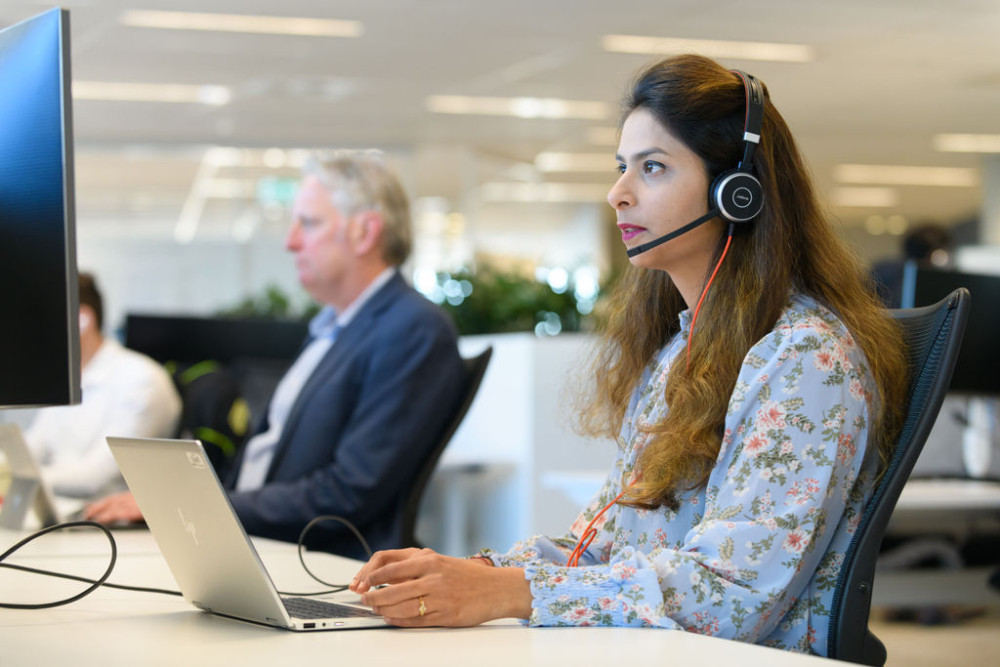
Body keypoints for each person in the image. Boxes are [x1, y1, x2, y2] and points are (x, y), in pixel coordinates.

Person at [350, 55, 909, 656]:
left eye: (654, 168)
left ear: (736, 194)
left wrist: (511, 593)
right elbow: (601, 543)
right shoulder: (681, 352)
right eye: (623, 167)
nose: (618, 192)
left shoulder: (805, 360)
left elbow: (732, 594)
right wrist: (469, 572)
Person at [86, 150, 466, 559]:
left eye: (308, 223)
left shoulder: (411, 328)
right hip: (258, 546)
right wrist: (181, 503)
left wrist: (204, 508)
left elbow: (350, 491)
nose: (291, 241)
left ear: (366, 232)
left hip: (317, 562)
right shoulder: (333, 327)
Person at [24, 272, 182, 499]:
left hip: (112, 523)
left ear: (83, 319)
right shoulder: (67, 380)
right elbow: (32, 448)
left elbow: (94, 479)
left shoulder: (141, 379)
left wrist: (24, 478)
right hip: (66, 511)